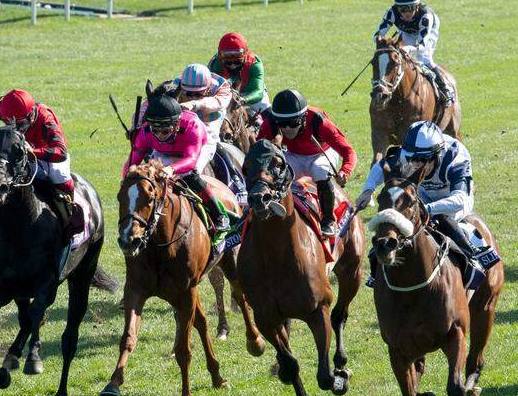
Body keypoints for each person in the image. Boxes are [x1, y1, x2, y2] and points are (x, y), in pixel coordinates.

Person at [356, 120, 499, 281]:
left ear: (436, 156)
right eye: (411, 159)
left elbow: (460, 199)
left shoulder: (454, 156)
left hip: (454, 200)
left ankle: (471, 254)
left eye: (420, 160)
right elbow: (381, 167)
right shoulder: (409, 153)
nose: (414, 165)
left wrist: (426, 208)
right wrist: (368, 191)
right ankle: (377, 270)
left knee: (443, 218)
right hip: (422, 195)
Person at [0, 89, 81, 238]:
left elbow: (60, 152)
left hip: (46, 155)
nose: (14, 128)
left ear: (31, 115)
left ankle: (70, 217)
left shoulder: (46, 118)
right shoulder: (4, 107)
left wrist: (33, 151)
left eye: (19, 124)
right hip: (19, 153)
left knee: (59, 175)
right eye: (8, 123)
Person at [124, 94, 231, 233]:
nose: (159, 135)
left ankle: (219, 215)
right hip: (165, 151)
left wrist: (172, 169)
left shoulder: (192, 126)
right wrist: (127, 180)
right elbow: (131, 164)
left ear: (177, 125)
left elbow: (191, 160)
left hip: (198, 148)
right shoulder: (145, 133)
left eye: (165, 131)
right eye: (155, 130)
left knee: (191, 175)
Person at [257, 89, 356, 237]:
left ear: (304, 117)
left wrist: (345, 171)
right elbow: (258, 151)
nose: (287, 129)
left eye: (293, 123)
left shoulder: (318, 121)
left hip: (322, 153)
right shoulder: (270, 123)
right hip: (294, 155)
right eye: (282, 124)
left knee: (319, 170)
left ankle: (328, 220)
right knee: (277, 173)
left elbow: (348, 151)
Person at [374, 0, 454, 107]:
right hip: (407, 31)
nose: (407, 13)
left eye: (410, 8)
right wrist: (384, 45)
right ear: (397, 8)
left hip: (428, 30)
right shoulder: (391, 12)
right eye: (402, 9)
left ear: (417, 6)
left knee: (424, 58)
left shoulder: (426, 17)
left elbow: (421, 46)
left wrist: (407, 48)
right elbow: (377, 35)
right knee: (402, 57)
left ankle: (445, 89)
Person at [208, 32, 269, 115]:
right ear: (219, 55)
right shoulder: (215, 64)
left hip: (250, 92)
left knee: (269, 114)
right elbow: (211, 89)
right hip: (225, 93)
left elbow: (258, 92)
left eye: (238, 55)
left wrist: (243, 100)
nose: (232, 64)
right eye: (227, 55)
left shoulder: (254, 64)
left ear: (245, 53)